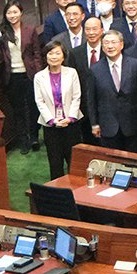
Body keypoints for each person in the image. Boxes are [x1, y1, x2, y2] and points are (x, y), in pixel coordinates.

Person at [0, 1, 42, 154]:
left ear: (21, 12)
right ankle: (23, 140)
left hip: (30, 75)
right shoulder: (3, 32)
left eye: (15, 12)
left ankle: (34, 137)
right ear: (5, 15)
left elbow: (37, 53)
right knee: (18, 110)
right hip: (12, 76)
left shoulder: (30, 30)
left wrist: (39, 74)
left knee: (32, 107)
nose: (12, 15)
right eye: (9, 13)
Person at [33, 41, 83, 179]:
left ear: (63, 56)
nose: (54, 56)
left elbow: (76, 96)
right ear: (45, 56)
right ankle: (57, 194)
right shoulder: (39, 77)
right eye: (50, 53)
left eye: (57, 53)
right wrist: (52, 120)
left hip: (71, 124)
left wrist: (70, 118)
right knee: (55, 163)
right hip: (51, 126)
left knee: (73, 161)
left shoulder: (72, 73)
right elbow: (40, 101)